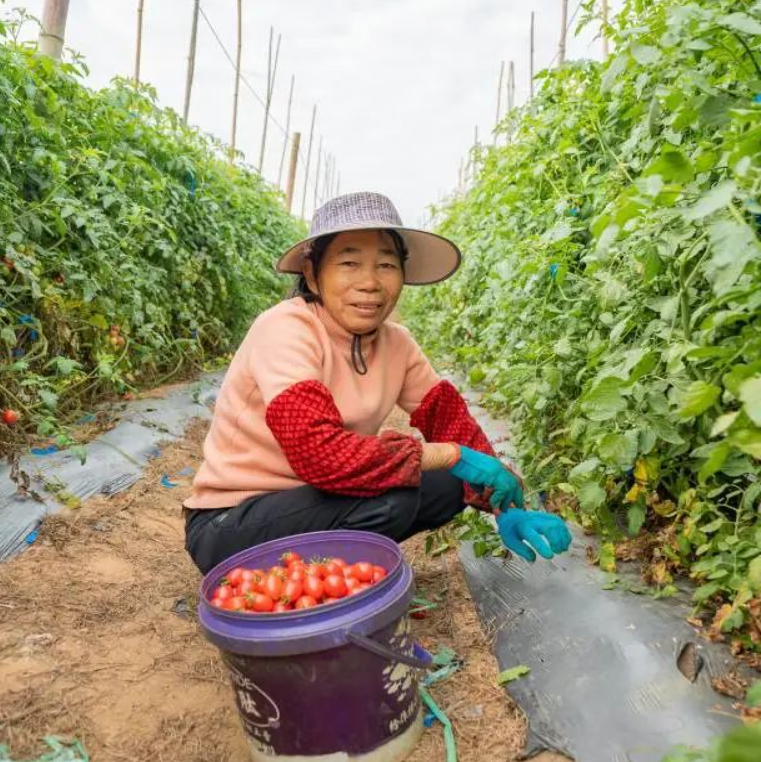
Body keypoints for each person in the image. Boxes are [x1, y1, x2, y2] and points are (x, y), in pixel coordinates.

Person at [184, 192, 570, 574]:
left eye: (386, 265)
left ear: (402, 274)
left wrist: (507, 507)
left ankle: (327, 577)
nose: (370, 282)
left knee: (451, 485)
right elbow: (318, 453)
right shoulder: (286, 328)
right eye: (349, 262)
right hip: (231, 523)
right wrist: (451, 455)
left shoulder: (397, 344)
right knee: (394, 500)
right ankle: (320, 590)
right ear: (313, 275)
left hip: (318, 505)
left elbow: (452, 423)